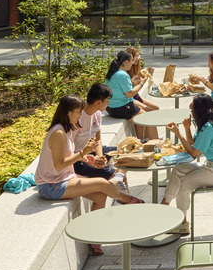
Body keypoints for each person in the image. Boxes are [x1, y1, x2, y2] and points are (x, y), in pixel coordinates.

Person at [36, 95, 143, 252]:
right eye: (78, 112)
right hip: (50, 185)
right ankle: (130, 201)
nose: (81, 115)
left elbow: (67, 157)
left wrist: (89, 159)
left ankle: (95, 240)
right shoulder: (58, 133)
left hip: (62, 178)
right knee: (101, 183)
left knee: (100, 196)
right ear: (68, 112)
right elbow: (59, 165)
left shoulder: (66, 129)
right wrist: (82, 154)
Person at [158, 94, 213, 236]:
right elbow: (194, 144)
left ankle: (182, 225)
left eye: (192, 106)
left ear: (199, 110)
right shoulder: (207, 123)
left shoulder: (208, 128)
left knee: (184, 185)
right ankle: (165, 204)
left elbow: (194, 154)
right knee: (179, 169)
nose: (190, 108)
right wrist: (187, 128)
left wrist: (179, 134)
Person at [106, 50, 161, 135]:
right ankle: (155, 144)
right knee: (149, 118)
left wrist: (132, 83)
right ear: (126, 62)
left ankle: (142, 140)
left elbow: (119, 89)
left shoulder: (113, 72)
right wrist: (142, 83)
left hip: (110, 108)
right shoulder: (123, 75)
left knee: (141, 113)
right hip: (121, 108)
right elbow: (129, 94)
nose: (133, 62)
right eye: (131, 60)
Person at [69, 83, 117, 180]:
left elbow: (97, 140)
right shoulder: (76, 118)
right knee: (115, 175)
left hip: (91, 152)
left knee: (124, 153)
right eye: (107, 101)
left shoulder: (97, 114)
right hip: (77, 160)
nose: (108, 104)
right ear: (98, 102)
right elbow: (68, 151)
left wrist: (101, 157)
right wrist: (90, 158)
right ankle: (127, 195)